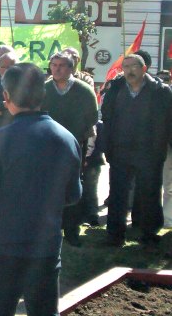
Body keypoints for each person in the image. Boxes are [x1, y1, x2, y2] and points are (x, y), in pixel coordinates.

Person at [0, 63, 82, 316]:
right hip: (45, 248)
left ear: (6, 98)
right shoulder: (66, 139)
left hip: (0, 249)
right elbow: (73, 195)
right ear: (42, 94)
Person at [100, 54, 172, 248]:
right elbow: (107, 118)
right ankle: (115, 235)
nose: (129, 70)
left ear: (143, 69)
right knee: (118, 194)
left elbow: (169, 121)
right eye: (125, 67)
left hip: (150, 152)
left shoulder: (161, 91)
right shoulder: (115, 90)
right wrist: (108, 147)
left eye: (133, 66)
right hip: (121, 150)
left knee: (149, 194)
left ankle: (149, 234)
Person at [41, 52, 98, 247]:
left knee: (72, 188)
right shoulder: (44, 89)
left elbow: (91, 117)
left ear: (71, 68)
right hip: (48, 148)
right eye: (54, 64)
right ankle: (50, 230)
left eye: (62, 65)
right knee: (49, 190)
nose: (56, 69)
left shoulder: (84, 91)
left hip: (74, 147)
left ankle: (72, 230)